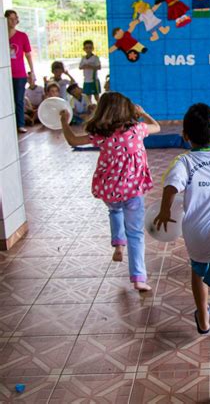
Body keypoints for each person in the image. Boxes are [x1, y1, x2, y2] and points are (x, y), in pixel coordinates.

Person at [155, 103, 210, 397]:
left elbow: (170, 187)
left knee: (198, 269)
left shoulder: (183, 161)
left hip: (195, 237)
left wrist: (166, 212)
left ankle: (203, 321)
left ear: (184, 136)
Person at [59, 92, 161, 291]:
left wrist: (64, 121)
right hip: (133, 191)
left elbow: (72, 140)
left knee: (114, 211)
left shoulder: (100, 135)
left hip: (110, 190)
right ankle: (139, 278)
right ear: (127, 110)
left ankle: (117, 245)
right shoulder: (137, 130)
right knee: (136, 233)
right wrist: (144, 113)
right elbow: (157, 127)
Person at [5, 9, 36, 133]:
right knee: (6, 99)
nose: (13, 21)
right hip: (4, 74)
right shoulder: (2, 36)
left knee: (19, 99)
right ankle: (8, 123)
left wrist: (32, 71)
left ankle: (20, 124)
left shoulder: (22, 36)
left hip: (19, 73)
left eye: (15, 18)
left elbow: (28, 54)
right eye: (10, 19)